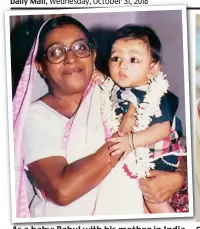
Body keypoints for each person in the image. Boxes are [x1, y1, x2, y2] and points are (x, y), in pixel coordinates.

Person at [13, 16, 187, 218]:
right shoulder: (35, 117)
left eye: (80, 48)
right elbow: (63, 191)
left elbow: (170, 140)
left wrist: (178, 178)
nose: (70, 59)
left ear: (93, 54)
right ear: (40, 66)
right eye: (56, 52)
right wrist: (125, 140)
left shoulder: (114, 93)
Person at [94, 25, 187, 213]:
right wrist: (102, 79)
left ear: (152, 69)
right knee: (140, 204)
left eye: (133, 59)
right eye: (116, 58)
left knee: (152, 198)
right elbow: (113, 92)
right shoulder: (122, 89)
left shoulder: (155, 95)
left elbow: (162, 128)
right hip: (138, 160)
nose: (122, 65)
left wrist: (131, 141)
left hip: (159, 159)